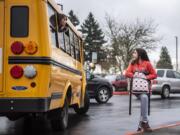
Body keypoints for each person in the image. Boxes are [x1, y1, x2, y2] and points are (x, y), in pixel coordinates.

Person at [125, 48, 157, 132]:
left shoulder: (147, 64)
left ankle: (141, 124)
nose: (133, 54)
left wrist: (146, 77)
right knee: (144, 99)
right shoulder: (132, 63)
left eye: (135, 53)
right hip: (136, 89)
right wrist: (136, 75)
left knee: (144, 100)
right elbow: (127, 73)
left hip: (145, 88)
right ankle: (145, 122)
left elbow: (154, 74)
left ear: (139, 54)